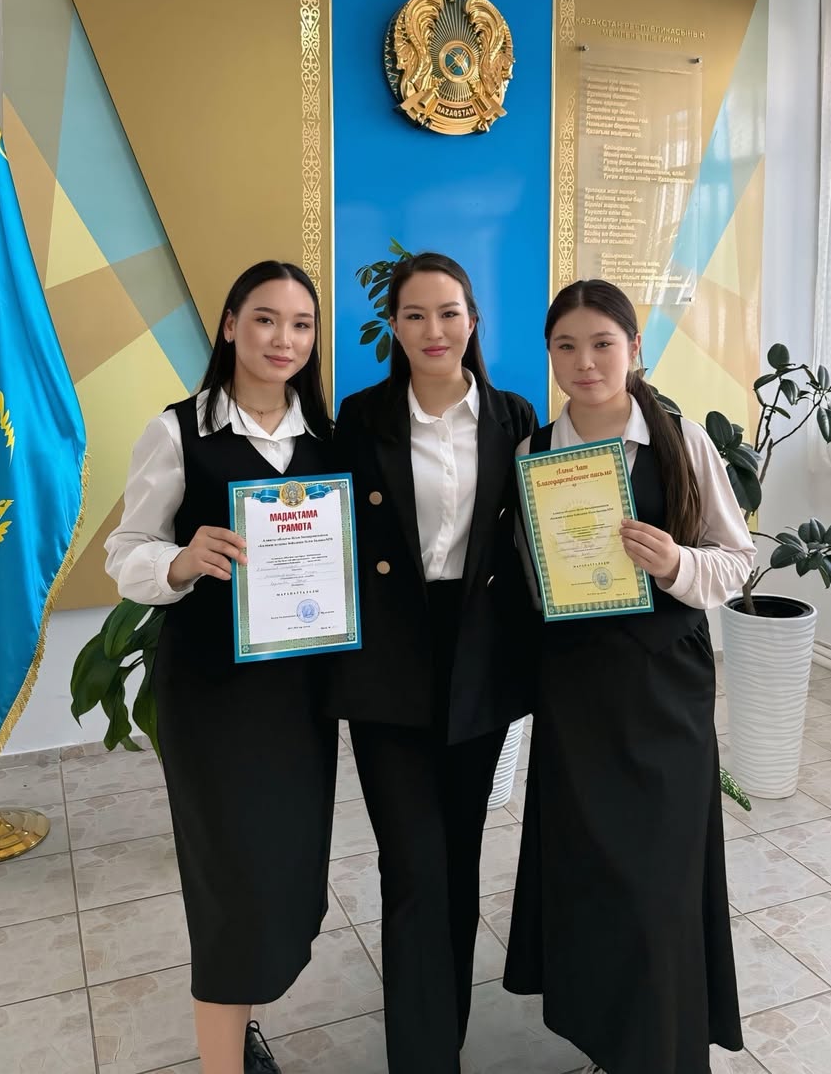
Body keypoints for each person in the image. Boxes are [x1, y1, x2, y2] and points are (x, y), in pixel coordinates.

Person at [503, 279, 755, 1074]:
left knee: (661, 880)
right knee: (592, 875)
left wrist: (676, 562)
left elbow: (738, 560)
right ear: (550, 355)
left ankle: (665, 1049)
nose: (585, 362)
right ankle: (611, 1042)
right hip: (577, 693)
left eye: (602, 343)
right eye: (566, 346)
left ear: (635, 348)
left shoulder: (681, 441)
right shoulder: (534, 453)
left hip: (664, 688)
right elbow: (528, 577)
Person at [105, 261, 338, 1074]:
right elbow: (124, 553)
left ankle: (239, 1031)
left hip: (299, 701)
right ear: (231, 324)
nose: (284, 339)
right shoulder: (178, 431)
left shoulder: (325, 436)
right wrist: (180, 560)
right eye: (266, 319)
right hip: (212, 700)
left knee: (281, 877)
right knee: (227, 889)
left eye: (301, 324)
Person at [327, 252, 538, 1074]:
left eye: (448, 312)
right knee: (412, 862)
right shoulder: (361, 416)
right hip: (388, 658)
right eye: (414, 314)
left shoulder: (513, 417)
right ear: (393, 326)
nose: (433, 329)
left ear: (472, 319)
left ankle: (442, 1032)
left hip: (479, 655)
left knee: (458, 854)